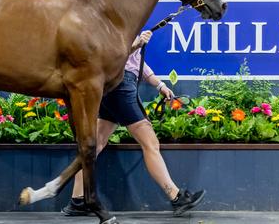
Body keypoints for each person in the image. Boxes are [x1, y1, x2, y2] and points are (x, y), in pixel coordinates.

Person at [61, 30, 205, 217]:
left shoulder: (126, 26)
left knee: (94, 146)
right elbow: (111, 57)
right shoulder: (113, 29)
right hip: (120, 88)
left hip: (114, 87)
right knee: (150, 143)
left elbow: (138, 64)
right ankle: (176, 196)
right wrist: (136, 44)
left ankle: (78, 200)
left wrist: (160, 85)